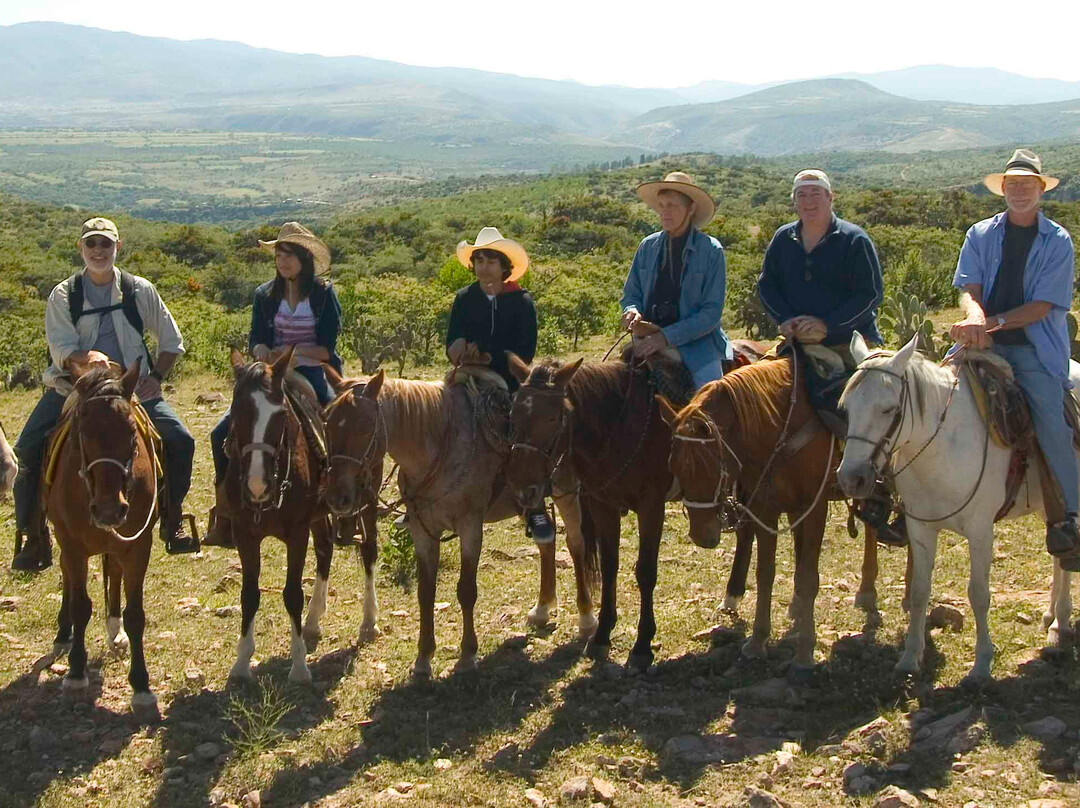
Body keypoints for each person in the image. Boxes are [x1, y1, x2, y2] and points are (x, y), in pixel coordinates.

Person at [11, 217, 198, 571]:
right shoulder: (64, 294)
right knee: (27, 450)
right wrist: (87, 357)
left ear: (117, 247)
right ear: (81, 248)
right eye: (92, 244)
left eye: (105, 244)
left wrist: (156, 376)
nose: (99, 251)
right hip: (75, 388)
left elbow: (171, 341)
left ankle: (172, 521)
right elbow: (62, 351)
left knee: (180, 439)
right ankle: (32, 535)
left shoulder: (139, 289)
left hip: (130, 391)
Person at [755, 169, 904, 544]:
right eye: (801, 195)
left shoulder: (854, 240)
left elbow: (870, 295)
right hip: (795, 340)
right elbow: (766, 284)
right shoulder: (783, 239)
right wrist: (786, 320)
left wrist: (827, 325)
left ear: (830, 197)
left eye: (815, 194)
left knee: (862, 405)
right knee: (756, 396)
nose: (808, 201)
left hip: (847, 341)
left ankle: (881, 491)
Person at [949, 149, 1079, 568]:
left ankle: (1070, 517)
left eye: (1028, 184)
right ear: (1003, 189)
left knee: (1050, 420)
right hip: (980, 339)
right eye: (1013, 183)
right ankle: (905, 498)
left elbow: (1043, 305)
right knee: (928, 398)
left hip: (1032, 347)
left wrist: (992, 323)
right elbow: (969, 286)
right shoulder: (980, 234)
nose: (1020, 190)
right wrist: (973, 315)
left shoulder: (1057, 241)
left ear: (1040, 190)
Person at [203, 222, 342, 547]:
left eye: (289, 254)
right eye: (279, 254)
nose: (283, 260)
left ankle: (342, 501)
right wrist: (263, 351)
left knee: (338, 424)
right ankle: (226, 510)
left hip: (312, 371)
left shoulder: (323, 295)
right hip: (269, 373)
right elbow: (256, 339)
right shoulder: (264, 294)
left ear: (304, 258)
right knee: (222, 431)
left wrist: (294, 354)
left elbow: (327, 348)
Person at [446, 226, 553, 542]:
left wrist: (489, 356)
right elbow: (452, 337)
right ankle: (422, 499)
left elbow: (524, 351)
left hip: (508, 381)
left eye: (491, 260)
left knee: (524, 435)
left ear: (504, 266)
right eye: (480, 260)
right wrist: (458, 351)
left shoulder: (521, 301)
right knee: (435, 418)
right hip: (466, 375)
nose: (484, 266)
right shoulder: (464, 299)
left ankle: (534, 505)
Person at [619, 171, 731, 389]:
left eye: (672, 205)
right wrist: (632, 310)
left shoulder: (710, 250)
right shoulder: (647, 247)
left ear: (690, 209)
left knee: (710, 401)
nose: (665, 212)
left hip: (698, 347)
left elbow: (711, 313)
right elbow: (632, 294)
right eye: (661, 205)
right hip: (648, 337)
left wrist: (665, 338)